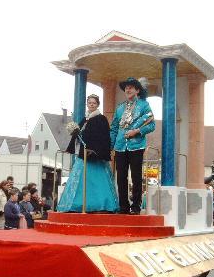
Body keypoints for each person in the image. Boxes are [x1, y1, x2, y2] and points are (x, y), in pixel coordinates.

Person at [58, 94, 118, 213]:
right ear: (87, 104)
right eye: (89, 103)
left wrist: (96, 151)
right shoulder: (85, 119)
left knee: (96, 181)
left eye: (94, 103)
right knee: (81, 182)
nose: (91, 105)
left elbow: (103, 137)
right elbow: (79, 135)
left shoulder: (101, 119)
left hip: (95, 155)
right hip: (84, 155)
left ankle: (102, 204)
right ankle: (78, 204)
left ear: (97, 105)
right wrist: (74, 138)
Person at [110, 77, 155, 214]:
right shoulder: (119, 108)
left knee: (136, 176)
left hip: (137, 145)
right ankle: (123, 207)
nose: (128, 89)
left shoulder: (144, 105)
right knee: (121, 177)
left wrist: (137, 131)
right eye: (126, 87)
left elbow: (152, 125)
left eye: (131, 87)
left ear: (137, 90)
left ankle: (135, 206)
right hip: (120, 146)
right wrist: (111, 146)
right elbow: (114, 128)